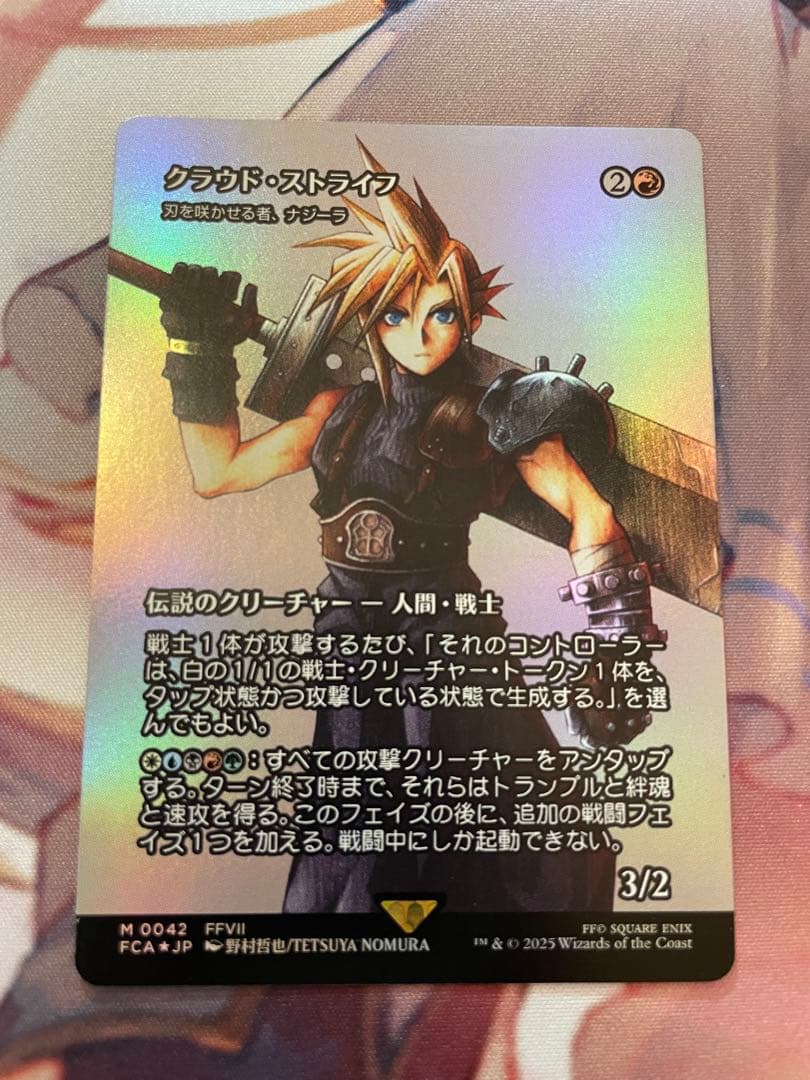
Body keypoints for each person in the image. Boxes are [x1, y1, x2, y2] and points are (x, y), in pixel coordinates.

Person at [159, 142, 663, 915]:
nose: (420, 334)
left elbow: (589, 512)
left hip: (447, 640)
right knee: (356, 849)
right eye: (396, 313)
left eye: (441, 314)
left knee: (488, 845)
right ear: (370, 317)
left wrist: (617, 652)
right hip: (352, 640)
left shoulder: (497, 413)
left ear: (470, 316)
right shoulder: (339, 413)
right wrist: (197, 348)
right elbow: (218, 470)